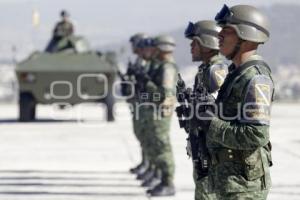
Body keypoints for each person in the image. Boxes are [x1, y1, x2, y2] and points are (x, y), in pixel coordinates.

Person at [197, 4, 274, 199]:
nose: (219, 35)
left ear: (245, 36)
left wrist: (211, 123)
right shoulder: (235, 74)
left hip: (244, 187)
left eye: (227, 30)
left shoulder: (256, 79)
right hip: (229, 181)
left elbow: (256, 135)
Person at [181, 20, 227, 200]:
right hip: (202, 142)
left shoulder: (216, 71)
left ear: (208, 43)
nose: (192, 47)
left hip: (210, 146)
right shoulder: (206, 69)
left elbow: (219, 111)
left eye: (195, 42)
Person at [136, 35, 177, 196]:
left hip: (160, 113)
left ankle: (168, 182)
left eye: (154, 47)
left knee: (161, 146)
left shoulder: (167, 67)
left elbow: (164, 94)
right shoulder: (158, 66)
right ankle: (161, 178)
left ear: (162, 48)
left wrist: (148, 84)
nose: (150, 50)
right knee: (153, 145)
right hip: (153, 112)